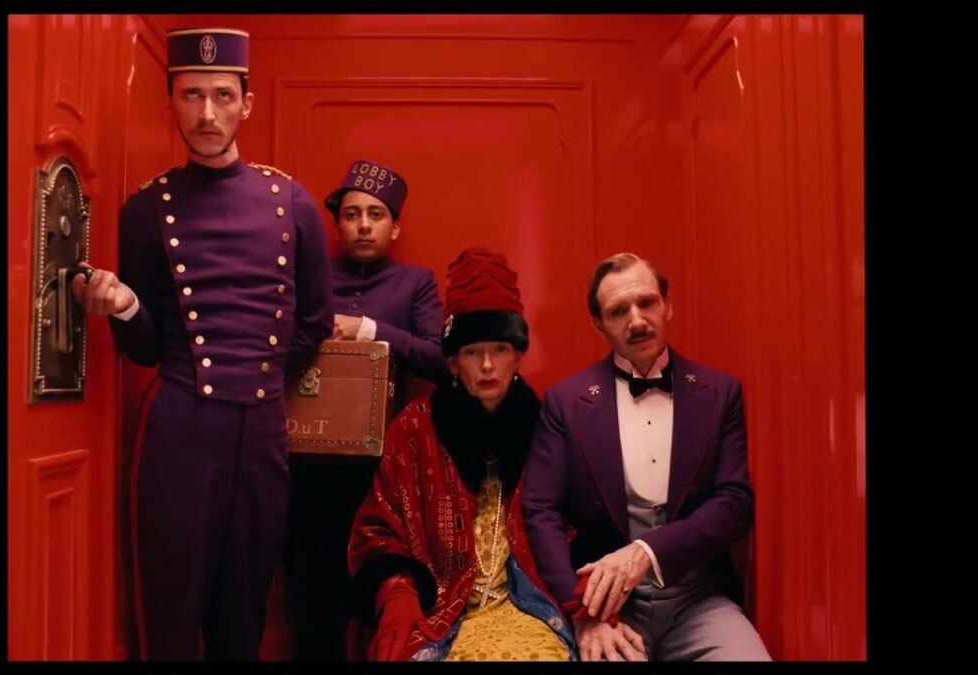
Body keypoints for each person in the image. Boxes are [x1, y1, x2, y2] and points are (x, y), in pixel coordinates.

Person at [71, 27, 333, 660]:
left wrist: (257, 374)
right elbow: (144, 349)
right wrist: (124, 305)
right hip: (179, 428)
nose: (207, 112)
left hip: (262, 429)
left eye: (222, 95)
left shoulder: (292, 203)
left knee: (244, 608)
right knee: (169, 610)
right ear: (171, 103)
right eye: (191, 95)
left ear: (247, 103)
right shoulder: (146, 209)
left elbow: (314, 323)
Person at [346, 247, 628, 662]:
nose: (488, 365)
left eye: (499, 349)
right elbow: (377, 530)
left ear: (517, 355)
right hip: (440, 609)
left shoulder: (548, 424)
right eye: (472, 352)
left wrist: (588, 599)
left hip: (531, 603)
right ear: (453, 362)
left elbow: (583, 524)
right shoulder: (415, 428)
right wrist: (397, 594)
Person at [521, 252, 771, 661]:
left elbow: (734, 502)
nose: (636, 320)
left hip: (699, 600)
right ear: (598, 325)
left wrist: (647, 552)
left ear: (667, 305)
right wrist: (581, 614)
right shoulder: (565, 403)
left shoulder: (719, 392)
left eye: (647, 303)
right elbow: (539, 511)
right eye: (619, 311)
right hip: (608, 607)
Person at [284, 159, 446, 660]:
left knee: (381, 587)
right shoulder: (309, 277)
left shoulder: (415, 282)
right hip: (308, 462)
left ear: (394, 227)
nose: (363, 225)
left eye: (376, 215)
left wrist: (368, 330)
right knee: (311, 590)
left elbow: (439, 358)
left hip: (385, 467)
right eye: (352, 214)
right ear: (337, 225)